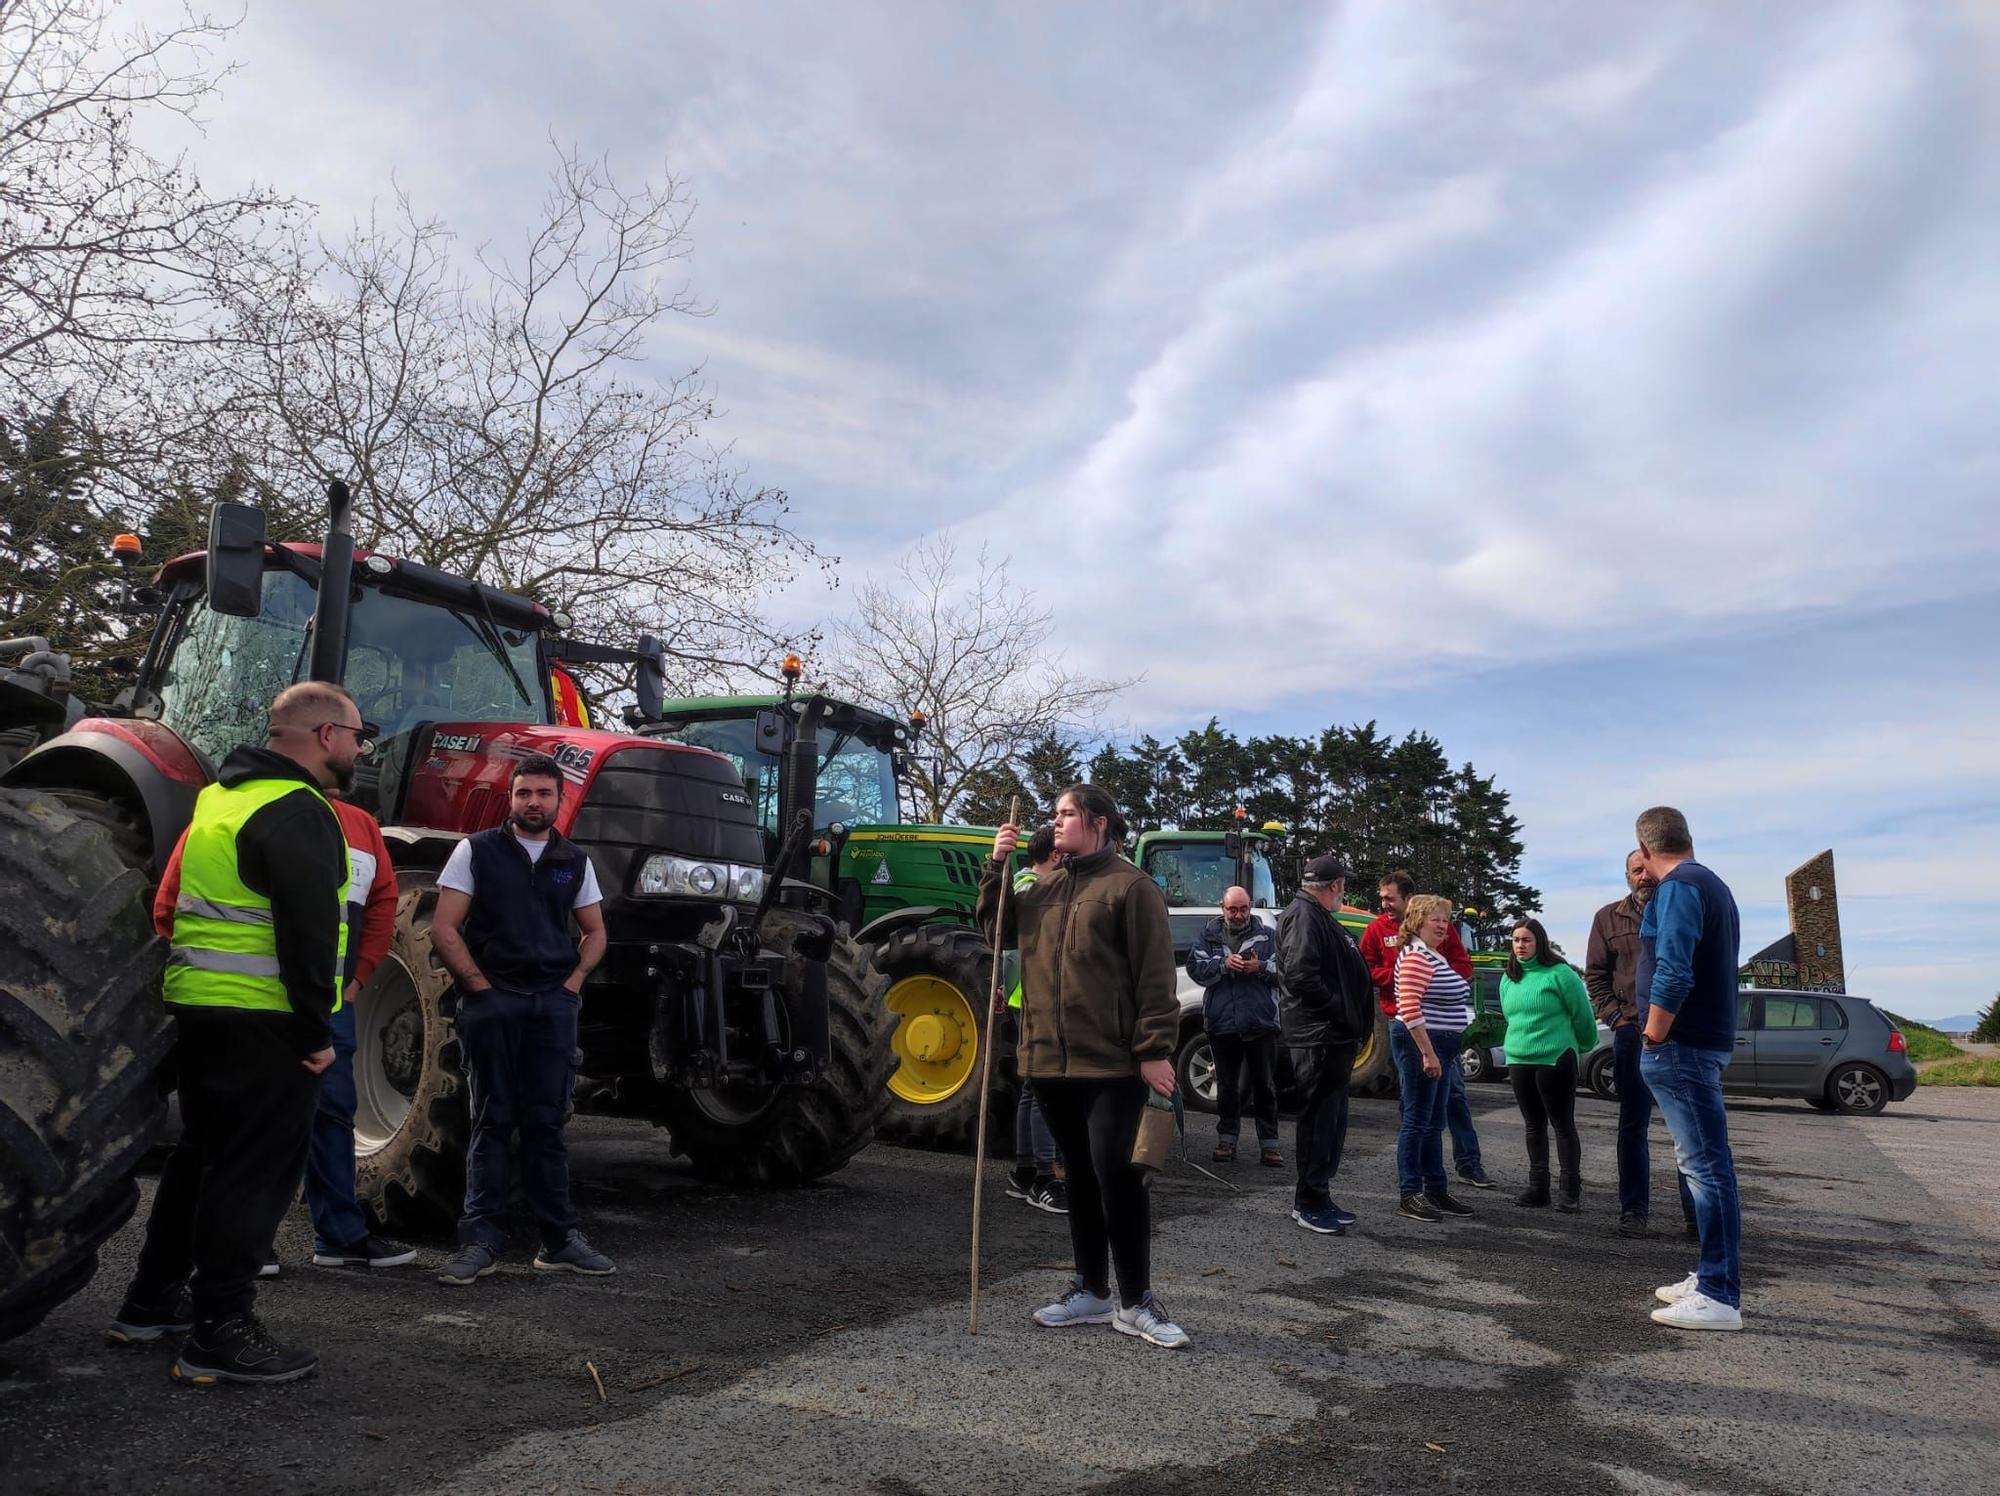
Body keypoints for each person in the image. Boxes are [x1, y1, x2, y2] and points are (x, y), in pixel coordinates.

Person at [107, 682, 362, 1384]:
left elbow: (171, 900)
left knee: (199, 1160)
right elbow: (308, 938)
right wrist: (316, 1034)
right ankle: (220, 1330)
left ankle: (151, 1301)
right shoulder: (301, 810)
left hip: (200, 1008)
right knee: (253, 1174)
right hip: (268, 1020)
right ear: (324, 735)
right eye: (356, 735)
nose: (360, 748)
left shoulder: (218, 800)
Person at [149, 795, 416, 1274]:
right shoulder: (229, 814)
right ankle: (243, 1245)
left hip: (326, 1004)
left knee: (331, 1114)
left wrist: (355, 980)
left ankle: (339, 1235)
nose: (360, 753)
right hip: (252, 1004)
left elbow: (380, 904)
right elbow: (171, 907)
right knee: (248, 1123)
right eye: (355, 740)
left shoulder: (360, 827)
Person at [978, 784, 1187, 1349]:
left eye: (1067, 814)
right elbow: (993, 930)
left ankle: (1136, 1299)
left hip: (1111, 1062)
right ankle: (1091, 1289)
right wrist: (997, 867)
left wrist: (1154, 1050)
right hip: (1047, 1060)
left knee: (1117, 1175)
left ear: (1098, 822)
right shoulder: (1042, 887)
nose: (1057, 822)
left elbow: (1154, 975)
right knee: (1078, 1175)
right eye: (1055, 814)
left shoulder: (1131, 887)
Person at [431, 754, 614, 1285]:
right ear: (510, 799)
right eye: (524, 793)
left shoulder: (573, 860)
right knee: (492, 1119)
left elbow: (595, 931)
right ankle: (480, 1240)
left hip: (552, 1004)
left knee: (548, 1123)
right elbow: (445, 928)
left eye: (543, 794)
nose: (533, 802)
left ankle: (559, 1240)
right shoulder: (477, 851)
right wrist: (481, 988)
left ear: (560, 800)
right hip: (495, 1002)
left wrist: (573, 985)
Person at [1634, 806, 1745, 1332]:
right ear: (1688, 838)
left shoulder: (1678, 887)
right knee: (1704, 1165)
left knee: (1705, 1168)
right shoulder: (1713, 884)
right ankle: (1709, 1276)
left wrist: (1654, 1031)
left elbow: (1675, 968)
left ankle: (1720, 1293)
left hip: (1681, 1044)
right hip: (1701, 1042)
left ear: (1645, 846)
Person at [1586, 850, 1696, 1239]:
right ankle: (1633, 1210)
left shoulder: (1682, 907)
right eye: (1636, 871)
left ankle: (1695, 1217)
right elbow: (1595, 977)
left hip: (1679, 1035)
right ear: (1627, 876)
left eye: (1648, 870)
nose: (1644, 877)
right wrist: (1617, 1019)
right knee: (1632, 1126)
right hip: (1631, 1035)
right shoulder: (1607, 918)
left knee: (1687, 1128)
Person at [1361, 870, 1489, 1189]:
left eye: (1390, 898)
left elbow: (1463, 965)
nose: (1384, 903)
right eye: (1382, 898)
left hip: (1441, 1033)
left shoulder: (1438, 933)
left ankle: (1465, 1163)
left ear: (1409, 900)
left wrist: (1445, 983)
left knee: (1451, 1099)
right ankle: (1414, 1178)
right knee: (1416, 1108)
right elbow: (1368, 968)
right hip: (1410, 1027)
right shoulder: (1379, 931)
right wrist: (1404, 979)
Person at [1275, 856, 1374, 1235]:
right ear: (1333, 886)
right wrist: (1341, 1012)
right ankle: (1309, 1201)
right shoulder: (1304, 916)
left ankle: (1320, 1193)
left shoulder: (1317, 916)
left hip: (1332, 1036)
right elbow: (1301, 976)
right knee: (1318, 1121)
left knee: (1332, 1121)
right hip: (1319, 1036)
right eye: (1342, 886)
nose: (1343, 893)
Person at [1498, 919, 1597, 1212]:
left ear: (1540, 942)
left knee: (1562, 1125)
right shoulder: (1509, 978)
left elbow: (1583, 1015)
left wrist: (1580, 1046)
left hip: (1555, 1059)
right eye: (1516, 940)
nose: (1520, 945)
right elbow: (1510, 1016)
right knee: (1533, 1126)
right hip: (1519, 1059)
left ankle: (1570, 1192)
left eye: (1526, 939)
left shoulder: (1560, 974)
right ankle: (1538, 1188)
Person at [1391, 894, 1477, 1221]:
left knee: (1434, 1122)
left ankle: (1436, 1189)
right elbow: (1410, 1009)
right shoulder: (1415, 956)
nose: (1443, 925)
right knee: (1416, 1121)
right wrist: (1428, 1053)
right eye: (1435, 919)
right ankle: (1410, 1193)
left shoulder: (1433, 955)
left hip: (1441, 1049)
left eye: (1445, 920)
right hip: (1421, 1046)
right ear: (1417, 921)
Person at [1188, 885, 1283, 1167]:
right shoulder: (1208, 935)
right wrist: (1223, 964)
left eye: (1243, 909)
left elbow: (1288, 972)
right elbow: (1195, 969)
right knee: (1227, 1086)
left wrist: (1261, 968)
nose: (1238, 915)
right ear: (1222, 907)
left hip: (1260, 1022)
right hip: (1222, 1023)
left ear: (1250, 907)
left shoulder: (1268, 936)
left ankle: (1270, 1145)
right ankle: (1226, 1140)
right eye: (1233, 909)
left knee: (1265, 1086)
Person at [1005, 825, 1068, 1216]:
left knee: (1032, 1087)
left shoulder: (1025, 882)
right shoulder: (1030, 886)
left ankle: (1025, 1169)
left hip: (1024, 996)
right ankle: (1044, 1175)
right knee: (1045, 1086)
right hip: (1033, 998)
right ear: (1057, 857)